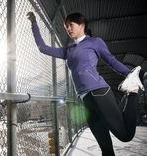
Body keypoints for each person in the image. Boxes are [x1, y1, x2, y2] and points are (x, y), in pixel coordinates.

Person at [27, 12, 145, 156]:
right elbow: (43, 48)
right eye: (66, 27)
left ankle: (132, 92)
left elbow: (111, 61)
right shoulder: (68, 50)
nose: (68, 28)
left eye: (71, 24)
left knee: (125, 135)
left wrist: (130, 74)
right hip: (85, 99)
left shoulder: (94, 42)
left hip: (99, 92)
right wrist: (34, 23)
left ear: (82, 24)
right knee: (106, 148)